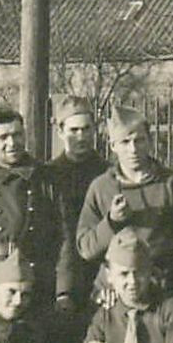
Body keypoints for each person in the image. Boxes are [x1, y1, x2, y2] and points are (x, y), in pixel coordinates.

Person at [0, 105, 78, 317]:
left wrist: (64, 291)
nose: (12, 143)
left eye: (17, 135)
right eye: (3, 137)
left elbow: (65, 238)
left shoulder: (48, 180)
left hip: (36, 288)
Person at [75, 105, 173, 293]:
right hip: (115, 289)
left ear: (149, 141)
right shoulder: (102, 187)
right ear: (113, 146)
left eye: (139, 140)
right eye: (125, 142)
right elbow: (86, 248)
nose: (133, 149)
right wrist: (112, 222)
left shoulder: (171, 184)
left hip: (162, 285)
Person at [47, 95, 110, 307]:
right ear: (60, 132)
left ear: (95, 130)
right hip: (56, 280)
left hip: (101, 277)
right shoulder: (48, 176)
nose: (81, 136)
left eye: (86, 129)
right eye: (74, 130)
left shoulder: (109, 174)